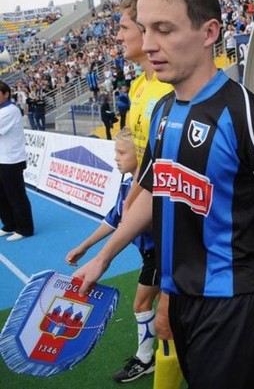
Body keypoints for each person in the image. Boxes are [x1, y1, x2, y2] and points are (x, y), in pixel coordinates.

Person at [73, 0, 254, 389]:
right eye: (144, 29)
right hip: (181, 297)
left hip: (233, 302)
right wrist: (104, 258)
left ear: (209, 32)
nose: (149, 43)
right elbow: (155, 192)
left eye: (164, 29)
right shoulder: (162, 111)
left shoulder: (247, 115)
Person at [114, 0, 179, 389]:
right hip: (146, 206)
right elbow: (143, 159)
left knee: (160, 303)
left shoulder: (166, 91)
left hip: (169, 213)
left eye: (123, 28)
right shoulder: (139, 86)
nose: (119, 37)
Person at [65, 127, 160, 382]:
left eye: (121, 152)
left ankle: (145, 358)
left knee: (142, 304)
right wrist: (85, 246)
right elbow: (114, 218)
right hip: (149, 254)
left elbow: (136, 224)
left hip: (160, 255)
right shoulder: (128, 183)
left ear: (141, 155)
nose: (116, 158)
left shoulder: (151, 191)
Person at [0, 80, 34, 242]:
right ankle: (10, 224)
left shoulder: (10, 110)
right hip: (2, 159)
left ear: (6, 94)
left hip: (11, 160)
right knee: (2, 195)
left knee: (16, 195)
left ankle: (25, 228)